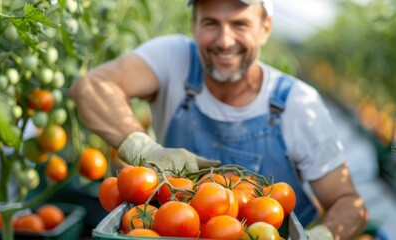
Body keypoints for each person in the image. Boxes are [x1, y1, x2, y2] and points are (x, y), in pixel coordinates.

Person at [69, 0, 368, 239]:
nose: (225, 41)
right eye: (211, 23)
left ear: (265, 27)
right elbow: (91, 88)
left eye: (240, 24)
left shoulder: (298, 104)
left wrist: (318, 236)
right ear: (194, 26)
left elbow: (349, 205)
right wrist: (146, 150)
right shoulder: (174, 59)